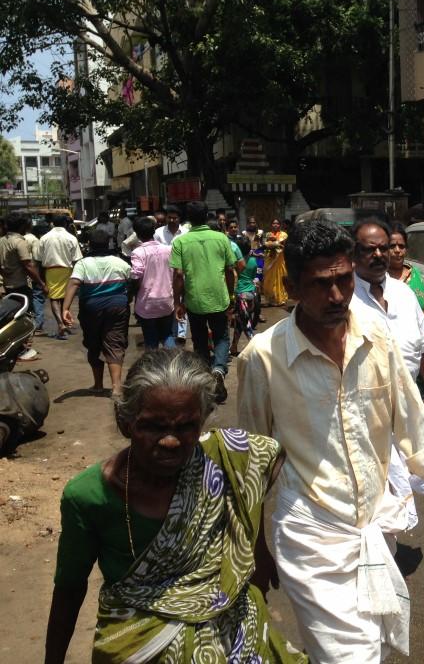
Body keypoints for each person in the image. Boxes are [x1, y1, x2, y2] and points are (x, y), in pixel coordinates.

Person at [236, 219, 424, 662]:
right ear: (291, 287)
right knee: (351, 657)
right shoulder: (262, 358)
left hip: (375, 527)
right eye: (320, 285)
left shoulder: (376, 333)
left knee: (367, 647)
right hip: (309, 535)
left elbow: (414, 428)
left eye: (343, 280)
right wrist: (255, 547)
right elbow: (252, 461)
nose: (335, 296)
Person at [44, 349, 307, 663]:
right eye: (153, 426)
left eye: (186, 427)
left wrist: (257, 548)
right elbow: (70, 587)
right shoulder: (88, 495)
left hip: (232, 632)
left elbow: (264, 468)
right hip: (137, 641)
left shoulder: (222, 459)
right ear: (125, 422)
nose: (170, 441)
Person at [351, 218, 424, 528]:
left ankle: (385, 553)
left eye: (383, 248)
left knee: (401, 485)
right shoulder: (345, 298)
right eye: (368, 250)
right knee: (368, 492)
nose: (378, 255)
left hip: (406, 407)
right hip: (362, 413)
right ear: (354, 254)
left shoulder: (404, 294)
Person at [171, 201, 235, 403]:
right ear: (208, 215)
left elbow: (178, 275)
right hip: (219, 298)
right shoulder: (221, 238)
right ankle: (218, 370)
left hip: (194, 300)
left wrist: (177, 302)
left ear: (187, 219)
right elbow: (229, 271)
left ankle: (208, 375)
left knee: (199, 340)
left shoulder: (180, 242)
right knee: (222, 337)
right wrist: (231, 296)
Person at [62, 230, 131, 396]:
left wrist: (65, 308)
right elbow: (134, 280)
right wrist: (128, 298)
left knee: (93, 344)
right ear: (108, 243)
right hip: (118, 307)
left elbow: (73, 284)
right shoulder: (119, 262)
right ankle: (116, 387)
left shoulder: (83, 264)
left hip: (91, 309)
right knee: (115, 343)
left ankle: (98, 385)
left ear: (89, 244)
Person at [0, 213, 44, 361]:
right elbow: (28, 266)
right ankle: (22, 349)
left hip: (8, 285)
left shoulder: (2, 241)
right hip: (21, 286)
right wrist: (41, 283)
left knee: (11, 318)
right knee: (26, 318)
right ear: (22, 226)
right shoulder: (20, 242)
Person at [129, 216, 176, 349]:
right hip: (167, 300)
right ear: (153, 231)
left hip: (147, 303)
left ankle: (152, 367)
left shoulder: (138, 252)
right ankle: (173, 362)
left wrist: (133, 293)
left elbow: (136, 275)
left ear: (137, 234)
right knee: (167, 335)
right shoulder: (168, 249)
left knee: (150, 340)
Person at [38, 214, 83, 339]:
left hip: (50, 270)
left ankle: (60, 324)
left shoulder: (44, 238)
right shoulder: (71, 238)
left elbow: (38, 259)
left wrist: (41, 280)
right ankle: (63, 323)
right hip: (67, 270)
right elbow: (77, 259)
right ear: (65, 224)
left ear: (52, 223)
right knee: (65, 298)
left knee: (54, 299)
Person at [388, 222, 424, 309]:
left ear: (406, 249)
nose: (397, 250)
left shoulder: (416, 275)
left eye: (401, 246)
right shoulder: (380, 278)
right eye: (392, 246)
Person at [230, 235, 259, 356]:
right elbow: (253, 277)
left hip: (240, 295)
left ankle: (256, 348)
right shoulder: (253, 261)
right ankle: (234, 346)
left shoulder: (236, 262)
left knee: (245, 325)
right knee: (240, 323)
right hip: (251, 294)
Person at [243, 216, 266, 323]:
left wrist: (262, 251)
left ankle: (258, 311)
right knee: (247, 282)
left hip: (259, 261)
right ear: (247, 223)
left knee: (258, 284)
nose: (252, 224)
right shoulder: (243, 234)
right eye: (250, 222)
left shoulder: (260, 233)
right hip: (248, 260)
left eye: (254, 222)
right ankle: (245, 309)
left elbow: (263, 245)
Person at [261, 218, 288, 306]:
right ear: (271, 225)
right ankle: (270, 299)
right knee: (269, 280)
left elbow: (282, 245)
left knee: (280, 279)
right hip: (269, 260)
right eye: (273, 223)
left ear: (280, 225)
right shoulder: (268, 234)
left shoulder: (284, 234)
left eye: (277, 223)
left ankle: (280, 299)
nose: (275, 225)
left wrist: (273, 242)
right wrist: (271, 244)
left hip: (279, 260)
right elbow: (264, 245)